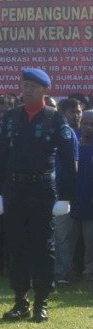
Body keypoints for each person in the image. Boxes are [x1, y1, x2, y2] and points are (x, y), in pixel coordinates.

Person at [0, 68, 76, 323]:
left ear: (44, 90)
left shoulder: (55, 118)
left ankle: (41, 302)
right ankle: (20, 301)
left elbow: (68, 160)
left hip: (42, 189)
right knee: (16, 245)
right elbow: (0, 156)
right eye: (25, 85)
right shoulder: (11, 118)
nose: (28, 90)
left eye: (34, 87)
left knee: (42, 245)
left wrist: (66, 196)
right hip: (15, 188)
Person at [53, 97, 83, 285]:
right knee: (39, 235)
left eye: (78, 111)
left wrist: (68, 195)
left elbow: (74, 166)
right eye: (72, 111)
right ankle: (40, 272)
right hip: (38, 192)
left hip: (61, 193)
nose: (76, 115)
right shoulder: (41, 130)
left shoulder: (68, 134)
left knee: (62, 236)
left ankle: (60, 274)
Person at [70, 111, 93, 282]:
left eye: (91, 124)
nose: (88, 128)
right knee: (66, 240)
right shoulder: (72, 142)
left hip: (90, 202)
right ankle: (65, 272)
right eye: (84, 123)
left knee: (90, 243)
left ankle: (88, 273)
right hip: (71, 201)